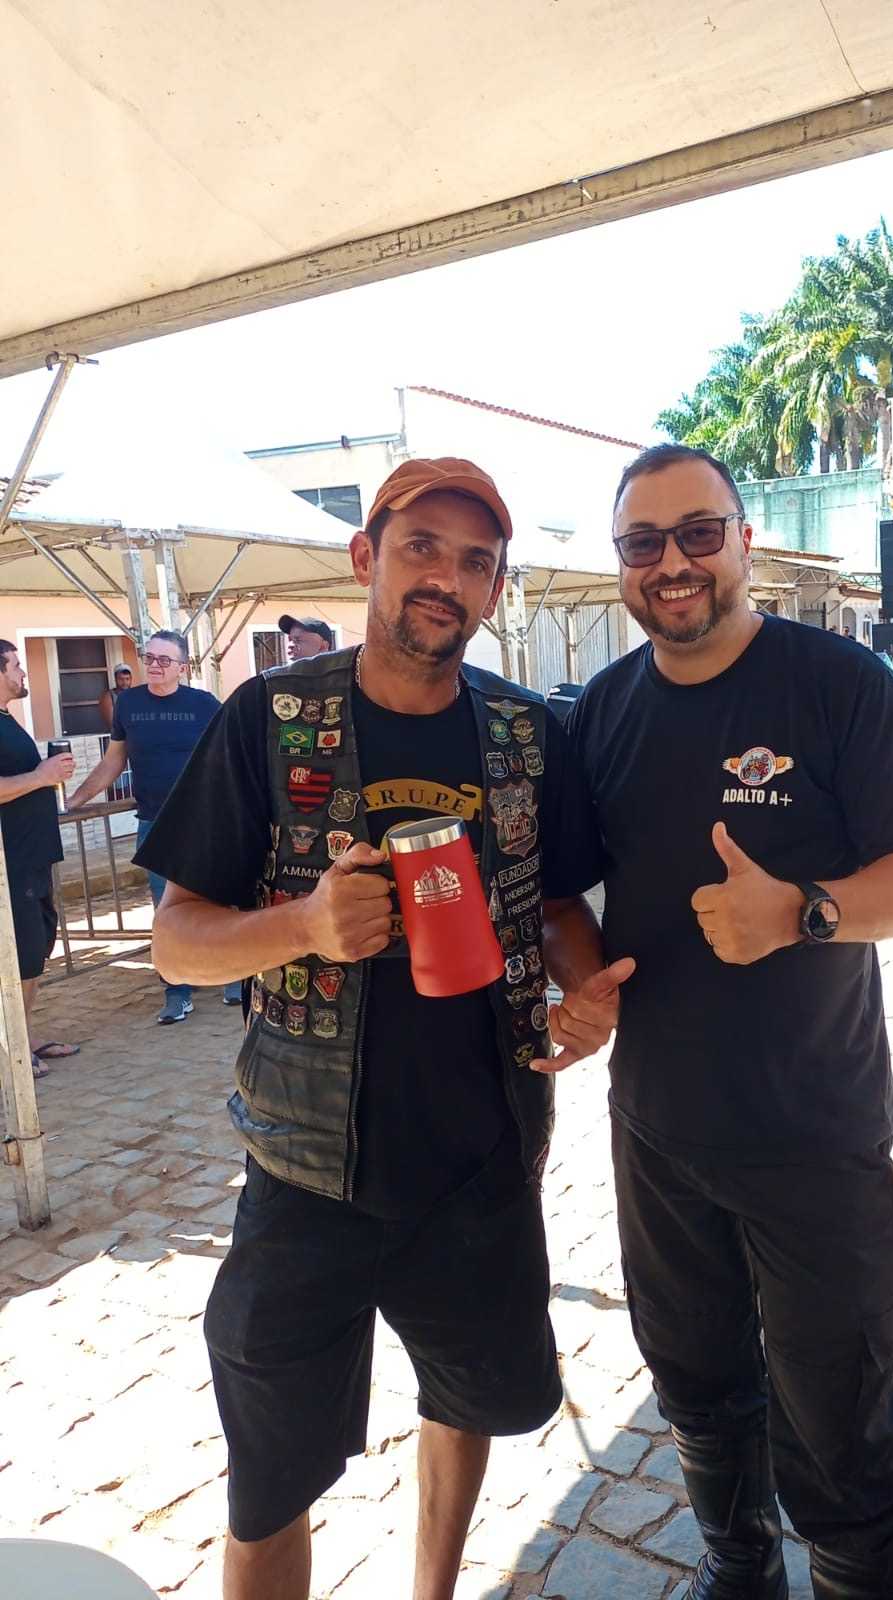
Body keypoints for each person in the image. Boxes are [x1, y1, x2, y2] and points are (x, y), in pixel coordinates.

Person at [135, 458, 623, 1600]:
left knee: (468, 1398)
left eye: (474, 562)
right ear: (366, 557)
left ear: (495, 589)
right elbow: (175, 942)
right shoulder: (272, 718)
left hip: (482, 1151)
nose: (446, 577)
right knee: (271, 1474)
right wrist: (303, 924)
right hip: (306, 1164)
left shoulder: (523, 732)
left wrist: (586, 991)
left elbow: (558, 905)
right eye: (422, 548)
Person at [566, 444, 893, 1600]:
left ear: (742, 541)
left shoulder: (842, 685)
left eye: (699, 533)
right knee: (695, 1381)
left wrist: (802, 911)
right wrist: (580, 981)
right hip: (656, 1130)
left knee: (841, 1423)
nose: (673, 563)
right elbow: (563, 893)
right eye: (643, 543)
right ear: (621, 564)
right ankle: (739, 1572)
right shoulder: (604, 710)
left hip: (813, 1134)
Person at [67, 630, 231, 1023]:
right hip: (154, 823)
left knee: (219, 900)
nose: (154, 665)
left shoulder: (204, 704)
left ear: (182, 667)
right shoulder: (129, 704)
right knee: (165, 912)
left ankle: (233, 977)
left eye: (164, 659)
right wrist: (75, 800)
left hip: (202, 821)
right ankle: (177, 991)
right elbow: (114, 761)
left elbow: (229, 755)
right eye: (149, 657)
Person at [0, 641, 78, 1077]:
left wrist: (46, 779)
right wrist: (40, 776)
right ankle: (12, 1052)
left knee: (38, 945)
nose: (23, 673)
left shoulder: (7, 718)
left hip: (33, 856)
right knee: (25, 953)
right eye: (15, 666)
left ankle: (24, 1035)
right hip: (12, 861)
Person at [98, 663, 134, 731]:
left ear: (131, 679)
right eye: (121, 679)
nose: (124, 682)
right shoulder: (108, 697)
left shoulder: (135, 695)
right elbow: (112, 725)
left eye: (127, 679)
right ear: (115, 679)